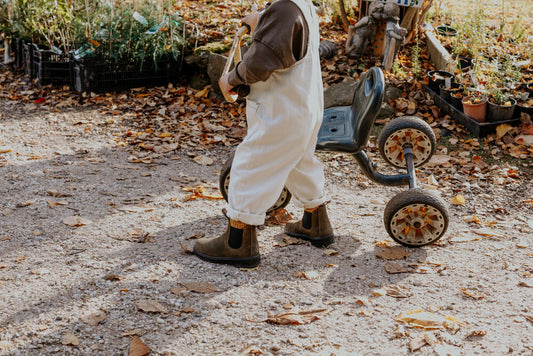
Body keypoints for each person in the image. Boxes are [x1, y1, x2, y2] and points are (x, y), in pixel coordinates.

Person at [193, 0, 334, 268]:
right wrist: (263, 18)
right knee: (300, 164)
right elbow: (286, 34)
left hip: (281, 113)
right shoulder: (299, 5)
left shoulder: (283, 8)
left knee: (251, 164)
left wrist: (231, 78)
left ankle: (238, 241)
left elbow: (260, 61)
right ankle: (315, 221)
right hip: (304, 108)